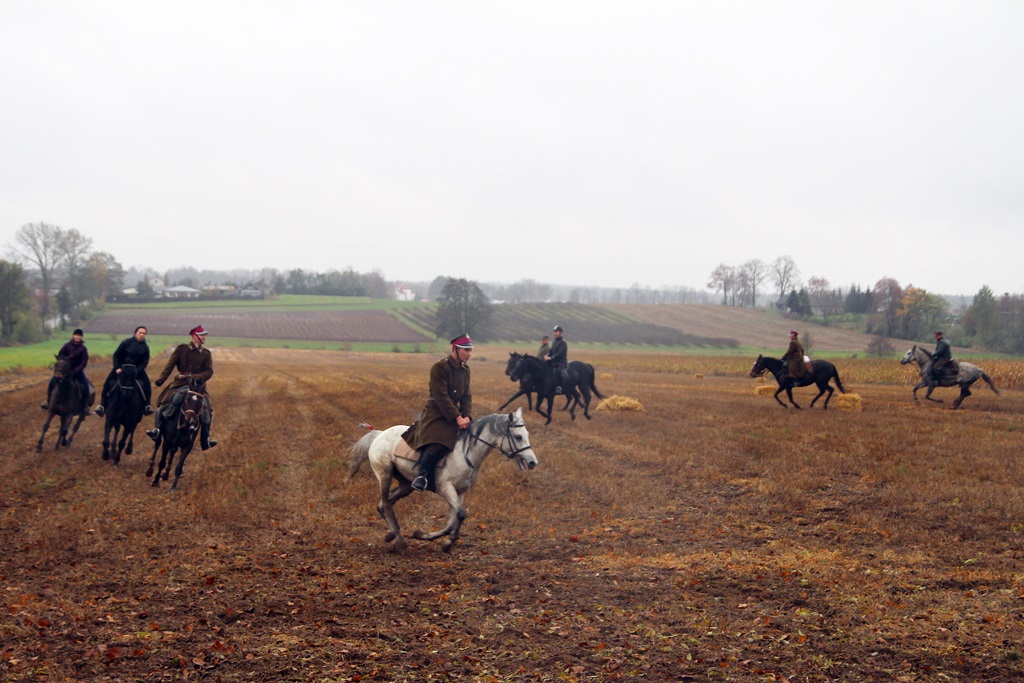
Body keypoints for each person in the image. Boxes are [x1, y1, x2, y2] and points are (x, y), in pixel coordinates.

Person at [402, 334, 474, 492]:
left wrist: (467, 415)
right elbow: (441, 396)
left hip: (458, 414)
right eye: (466, 350)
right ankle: (421, 476)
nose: (469, 354)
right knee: (437, 442)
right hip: (436, 413)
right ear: (455, 349)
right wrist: (457, 417)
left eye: (470, 350)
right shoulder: (440, 367)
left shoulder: (465, 370)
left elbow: (466, 395)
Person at [145, 325, 218, 450]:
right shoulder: (181, 349)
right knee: (164, 403)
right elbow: (170, 365)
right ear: (194, 336)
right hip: (180, 383)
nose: (204, 337)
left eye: (204, 335)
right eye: (202, 335)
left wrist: (196, 377)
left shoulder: (206, 353)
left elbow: (209, 371)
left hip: (197, 387)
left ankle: (205, 439)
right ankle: (156, 430)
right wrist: (161, 379)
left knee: (207, 409)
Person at [95, 326, 154, 417]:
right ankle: (102, 405)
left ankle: (147, 406)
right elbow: (116, 354)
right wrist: (117, 367)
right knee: (108, 381)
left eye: (144, 333)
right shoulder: (126, 342)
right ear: (135, 333)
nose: (142, 335)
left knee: (147, 384)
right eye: (140, 332)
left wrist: (137, 371)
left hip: (136, 370)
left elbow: (144, 362)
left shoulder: (145, 347)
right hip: (121, 369)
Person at [41, 328, 94, 413]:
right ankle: (48, 401)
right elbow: (60, 356)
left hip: (77, 371)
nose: (77, 337)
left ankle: (85, 406)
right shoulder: (67, 345)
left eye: (79, 336)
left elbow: (83, 363)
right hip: (64, 370)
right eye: (76, 335)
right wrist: (61, 367)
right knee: (52, 381)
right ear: (73, 336)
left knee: (85, 386)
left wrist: (75, 371)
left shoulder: (83, 349)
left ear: (81, 337)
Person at [544, 325, 569, 394]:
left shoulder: (563, 342)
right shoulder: (554, 341)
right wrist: (547, 355)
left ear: (560, 333)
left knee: (558, 373)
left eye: (556, 332)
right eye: (554, 332)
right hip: (553, 362)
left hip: (561, 363)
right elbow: (551, 351)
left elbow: (559, 353)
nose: (554, 333)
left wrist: (551, 358)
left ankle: (559, 387)